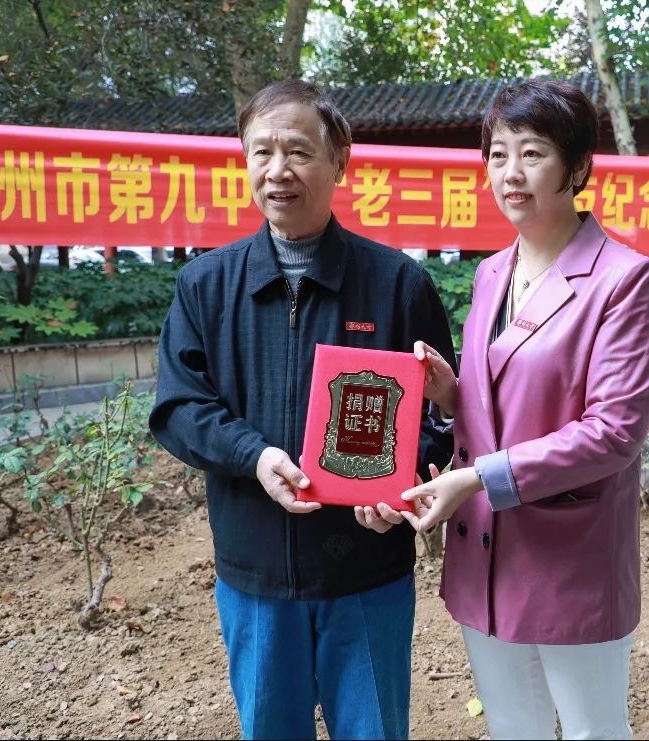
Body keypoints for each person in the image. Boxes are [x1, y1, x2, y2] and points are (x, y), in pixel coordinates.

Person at [149, 79, 456, 741]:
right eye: (261, 152)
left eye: (297, 150)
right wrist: (253, 455)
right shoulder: (207, 285)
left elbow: (437, 418)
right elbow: (178, 405)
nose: (277, 170)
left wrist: (405, 486)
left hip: (366, 575)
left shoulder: (397, 284)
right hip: (255, 574)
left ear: (339, 160)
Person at [400, 80, 649, 740]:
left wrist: (474, 478)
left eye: (532, 153)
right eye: (497, 154)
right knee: (512, 726)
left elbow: (612, 433)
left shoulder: (622, 279)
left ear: (576, 167)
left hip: (568, 552)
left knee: (592, 730)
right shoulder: (491, 272)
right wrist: (450, 394)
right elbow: (500, 401)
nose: (510, 172)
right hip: (484, 548)